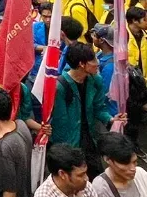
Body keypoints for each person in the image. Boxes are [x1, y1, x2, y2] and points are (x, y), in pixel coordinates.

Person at [49, 41, 119, 177]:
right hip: (70, 143)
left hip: (90, 139)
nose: (97, 62)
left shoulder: (95, 80)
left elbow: (99, 108)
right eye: (92, 59)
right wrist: (67, 154)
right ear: (82, 64)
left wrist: (111, 119)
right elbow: (60, 125)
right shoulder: (60, 87)